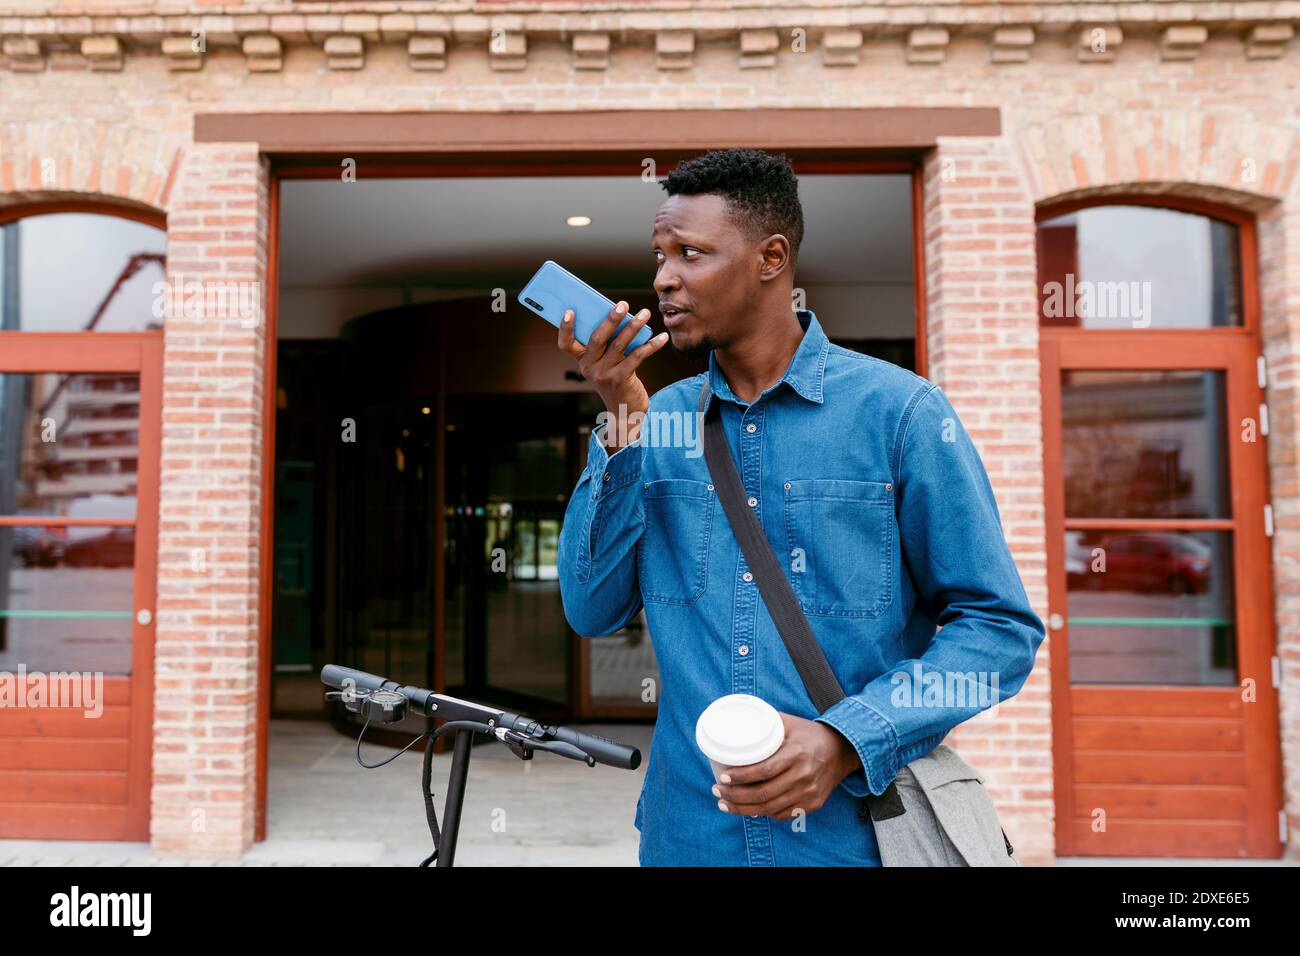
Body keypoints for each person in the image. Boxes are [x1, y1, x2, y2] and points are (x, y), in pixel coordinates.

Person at [555, 147, 1045, 866]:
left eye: (690, 253)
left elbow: (996, 629)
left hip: (854, 843)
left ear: (771, 257)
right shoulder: (653, 422)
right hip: (691, 838)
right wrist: (623, 419)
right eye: (660, 254)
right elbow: (590, 608)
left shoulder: (902, 414)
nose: (664, 278)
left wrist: (852, 737)